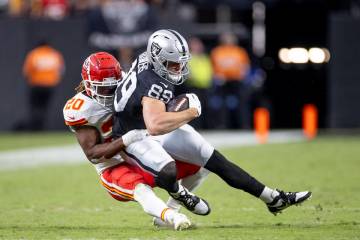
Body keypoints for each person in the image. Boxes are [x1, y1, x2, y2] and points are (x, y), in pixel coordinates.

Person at [113, 29, 312, 226]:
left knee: (211, 158)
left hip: (144, 123)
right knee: (168, 170)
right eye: (174, 64)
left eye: (181, 62)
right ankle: (175, 202)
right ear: (158, 58)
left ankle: (273, 198)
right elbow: (155, 125)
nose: (179, 68)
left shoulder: (148, 59)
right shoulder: (154, 82)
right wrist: (190, 112)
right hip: (134, 135)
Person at [63, 52, 208, 230]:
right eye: (103, 89)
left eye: (114, 87)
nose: (110, 94)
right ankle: (171, 217)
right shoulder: (80, 109)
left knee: (199, 164)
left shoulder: (128, 81)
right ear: (87, 84)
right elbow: (93, 155)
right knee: (140, 189)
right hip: (112, 165)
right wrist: (127, 139)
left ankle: (171, 209)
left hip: (140, 150)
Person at [14, 40, 65, 131]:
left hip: (36, 85)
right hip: (50, 85)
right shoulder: (55, 55)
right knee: (44, 108)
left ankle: (35, 127)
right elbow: (61, 71)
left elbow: (26, 71)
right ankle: (41, 127)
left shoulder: (34, 54)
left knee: (35, 107)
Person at [210, 32, 251, 129]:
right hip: (223, 81)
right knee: (222, 104)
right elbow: (212, 66)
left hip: (237, 80)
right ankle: (222, 125)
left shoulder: (240, 51)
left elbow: (245, 66)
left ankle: (244, 124)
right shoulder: (217, 51)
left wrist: (243, 75)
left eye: (230, 39)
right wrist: (216, 76)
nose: (228, 41)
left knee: (242, 103)